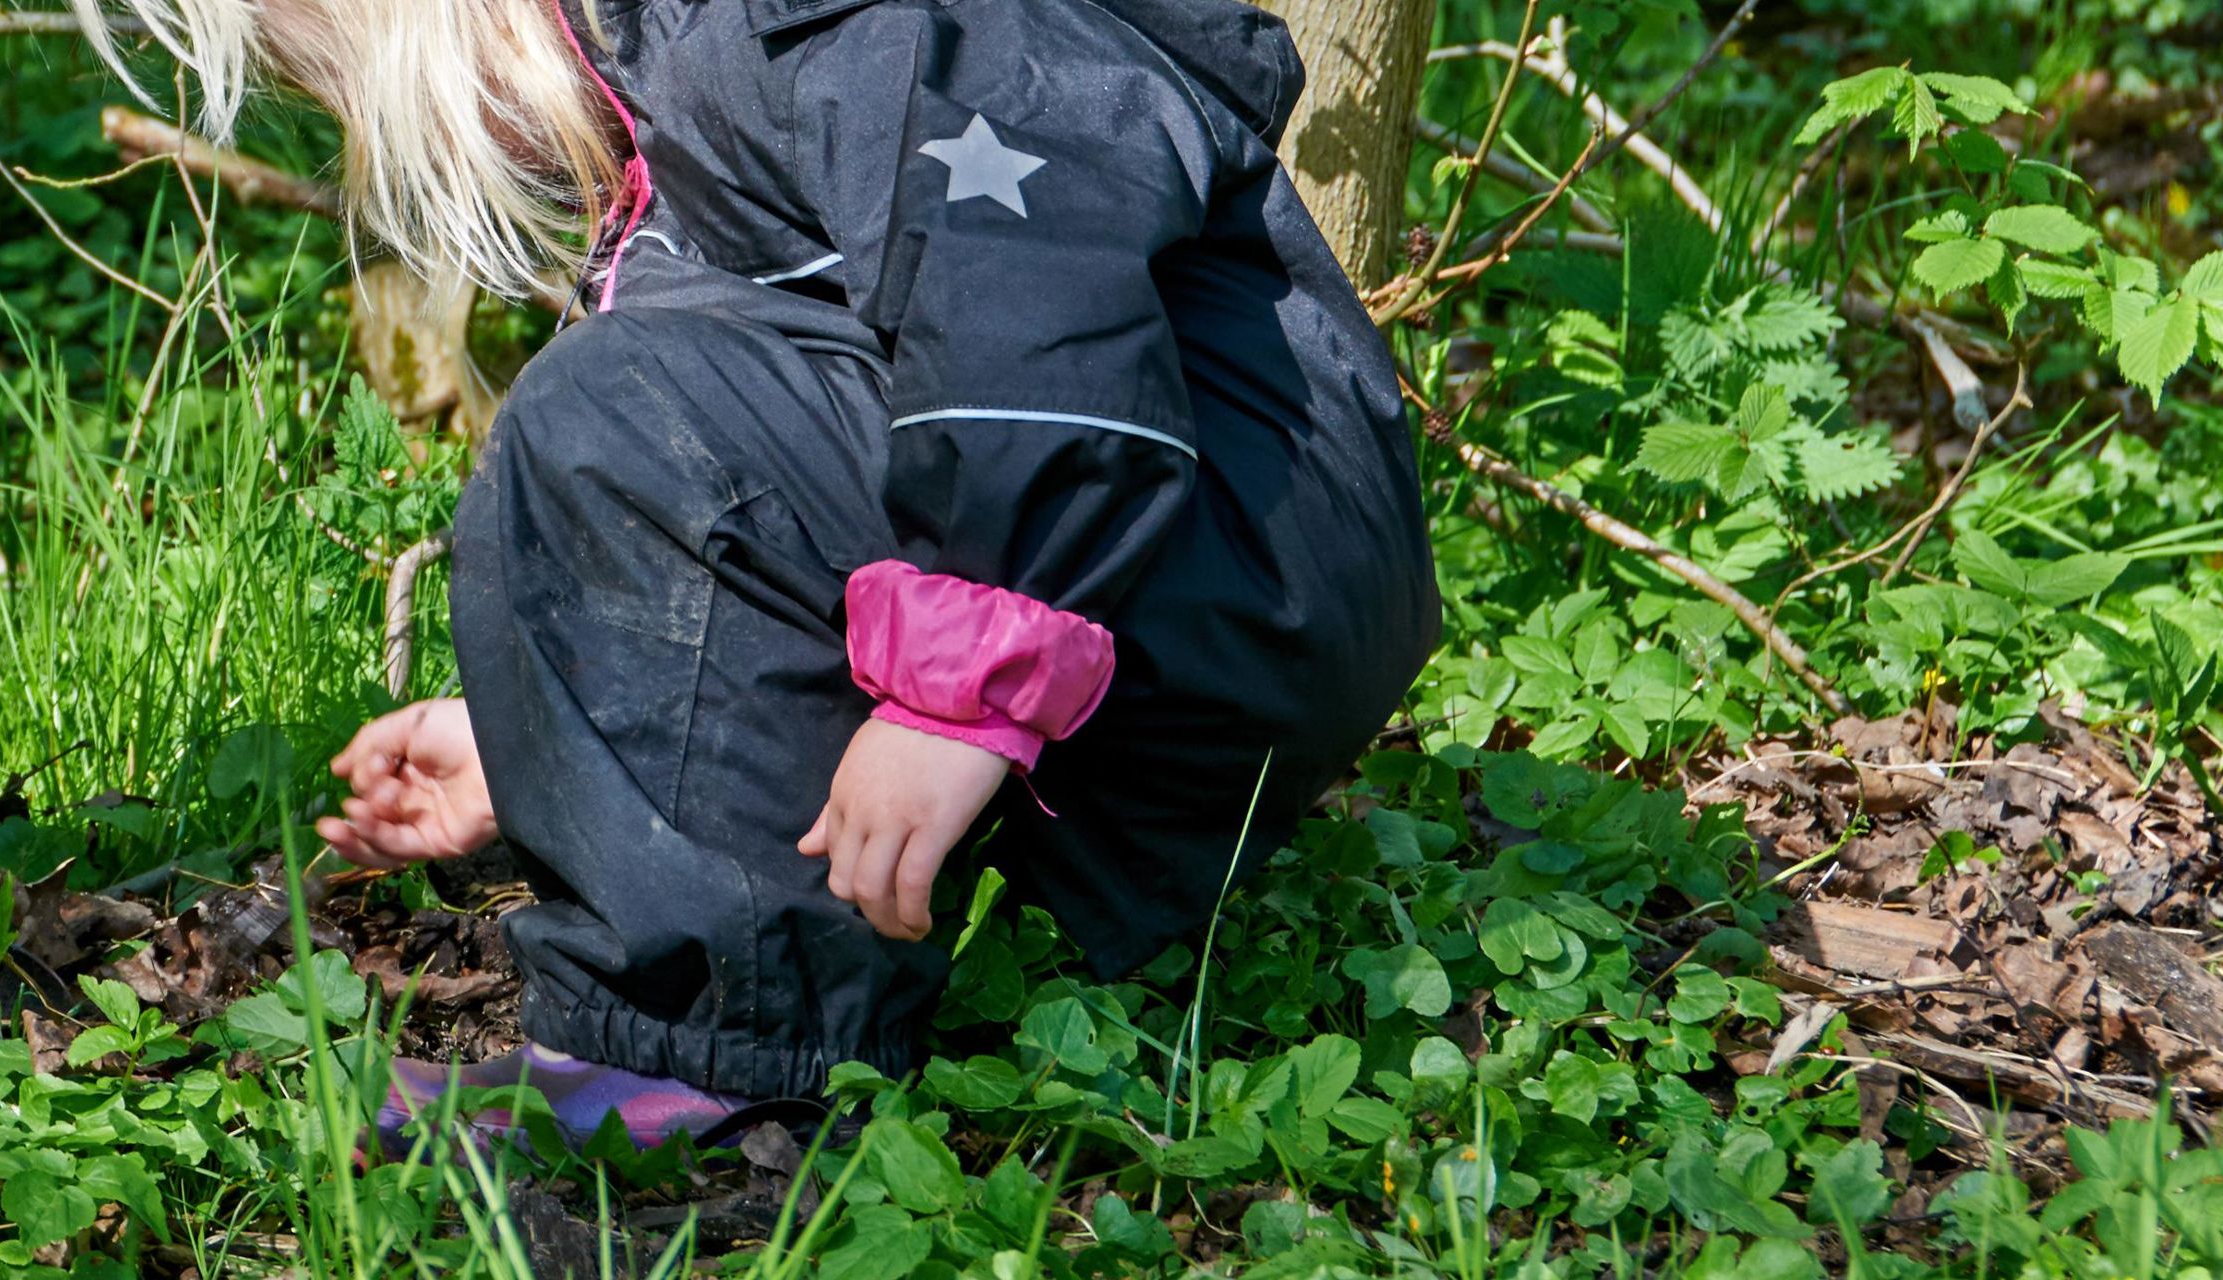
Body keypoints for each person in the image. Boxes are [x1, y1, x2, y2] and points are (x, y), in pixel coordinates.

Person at [112, 0, 1442, 1147]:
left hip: (1218, 548)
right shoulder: (693, 84)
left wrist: (962, 687)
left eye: (344, 82)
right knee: (640, 406)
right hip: (1178, 565)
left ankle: (698, 1054)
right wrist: (554, 738)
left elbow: (1028, 309)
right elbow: (761, 508)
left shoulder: (795, 24)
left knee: (619, 410)